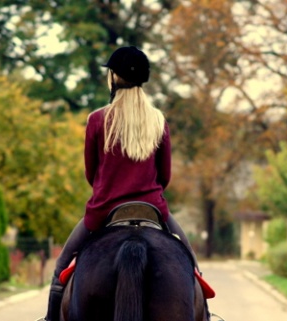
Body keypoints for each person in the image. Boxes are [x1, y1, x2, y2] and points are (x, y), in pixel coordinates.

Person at [45, 46, 208, 321]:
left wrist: (109, 188)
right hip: (153, 209)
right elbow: (164, 176)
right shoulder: (158, 121)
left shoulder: (97, 120)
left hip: (103, 212)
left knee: (60, 270)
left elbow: (91, 174)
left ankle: (50, 319)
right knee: (193, 268)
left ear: (114, 76)